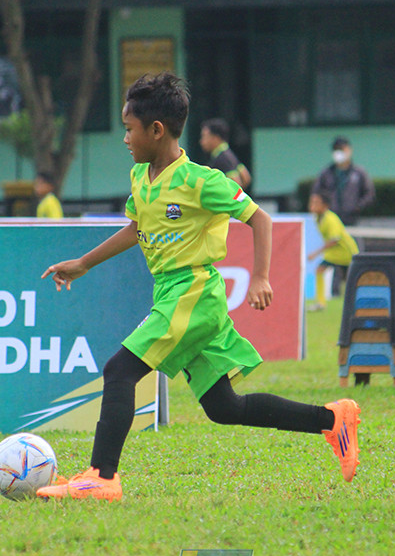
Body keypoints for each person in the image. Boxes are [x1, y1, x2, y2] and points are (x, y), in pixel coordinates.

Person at [39, 72, 361, 501]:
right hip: (172, 293)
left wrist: (261, 277)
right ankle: (332, 419)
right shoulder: (140, 176)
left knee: (120, 371)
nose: (125, 139)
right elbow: (137, 228)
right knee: (223, 407)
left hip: (192, 292)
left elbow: (259, 219)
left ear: (156, 130)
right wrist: (83, 264)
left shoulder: (201, 181)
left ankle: (102, 477)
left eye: (129, 129)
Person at [307, 192, 359, 312]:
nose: (312, 206)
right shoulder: (319, 218)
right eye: (311, 202)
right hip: (335, 253)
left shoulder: (330, 219)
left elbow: (334, 240)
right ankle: (320, 303)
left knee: (352, 279)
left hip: (345, 252)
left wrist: (315, 253)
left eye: (316, 203)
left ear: (325, 205)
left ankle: (356, 303)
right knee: (321, 271)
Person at [311, 136, 374, 229]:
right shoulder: (326, 173)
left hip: (353, 221)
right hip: (331, 221)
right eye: (336, 150)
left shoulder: (359, 173)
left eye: (341, 149)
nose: (338, 153)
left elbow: (369, 194)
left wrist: (357, 207)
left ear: (349, 150)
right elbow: (316, 193)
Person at [198, 118, 251, 189]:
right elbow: (246, 177)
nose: (201, 141)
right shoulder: (228, 153)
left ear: (215, 138)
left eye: (204, 136)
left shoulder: (222, 158)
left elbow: (236, 185)